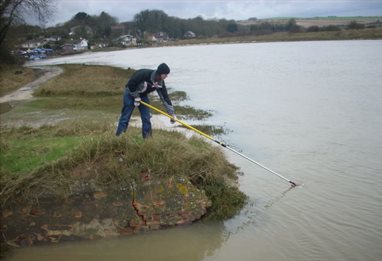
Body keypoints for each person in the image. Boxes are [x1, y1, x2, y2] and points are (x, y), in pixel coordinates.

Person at [116, 63, 176, 138]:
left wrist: (171, 114)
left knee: (146, 118)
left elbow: (165, 98)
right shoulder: (144, 74)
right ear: (160, 73)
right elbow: (131, 84)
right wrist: (136, 97)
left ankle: (147, 140)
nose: (166, 76)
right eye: (165, 74)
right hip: (130, 93)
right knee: (126, 116)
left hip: (142, 96)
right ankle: (119, 136)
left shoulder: (160, 83)